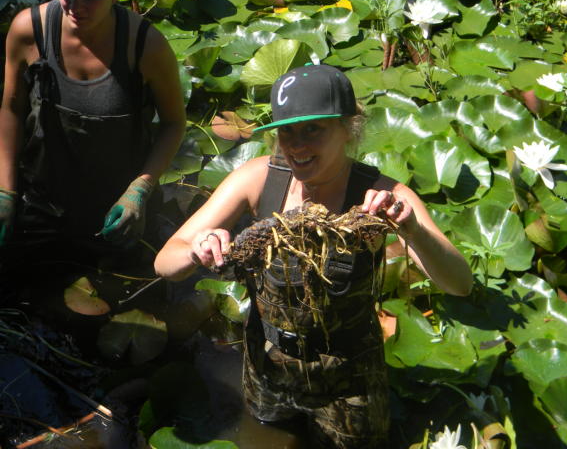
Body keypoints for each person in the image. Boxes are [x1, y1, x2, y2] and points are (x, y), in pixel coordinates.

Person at [154, 64, 472, 448]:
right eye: (287, 130)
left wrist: (413, 231)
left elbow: (459, 285)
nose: (297, 146)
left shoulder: (382, 196)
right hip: (267, 360)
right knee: (266, 436)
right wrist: (198, 247)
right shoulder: (257, 179)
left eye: (313, 129)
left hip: (349, 375)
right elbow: (165, 263)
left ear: (347, 127)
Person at [0, 0, 185, 281]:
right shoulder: (29, 29)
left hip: (114, 208)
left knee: (118, 295)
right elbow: (10, 109)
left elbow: (173, 124)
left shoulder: (145, 46)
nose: (75, 4)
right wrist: (5, 191)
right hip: (41, 199)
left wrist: (139, 190)